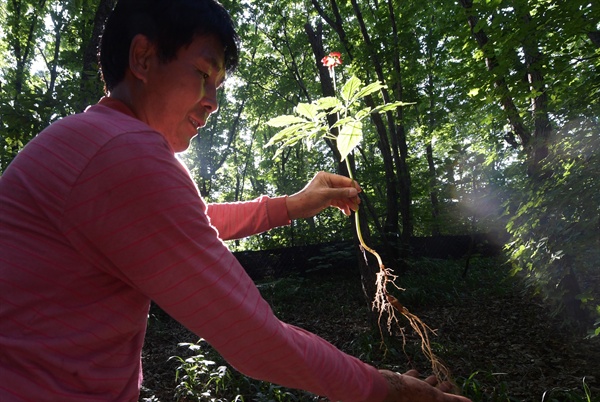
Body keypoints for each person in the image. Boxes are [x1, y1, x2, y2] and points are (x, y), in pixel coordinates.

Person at [0, 1, 471, 401]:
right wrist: (391, 390)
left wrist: (290, 205)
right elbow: (257, 341)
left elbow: (190, 222)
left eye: (219, 87)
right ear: (142, 58)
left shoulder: (93, 141)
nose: (213, 102)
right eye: (203, 74)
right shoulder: (121, 151)